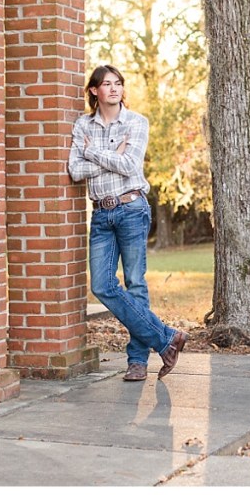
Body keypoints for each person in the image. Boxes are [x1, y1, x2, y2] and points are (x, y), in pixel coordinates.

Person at [67, 64, 187, 381]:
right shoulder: (82, 125)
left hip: (132, 208)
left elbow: (129, 164)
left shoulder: (136, 122)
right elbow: (75, 171)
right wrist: (110, 155)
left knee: (135, 283)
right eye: (107, 84)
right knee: (101, 285)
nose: (114, 88)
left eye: (119, 83)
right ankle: (166, 338)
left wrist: (94, 153)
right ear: (94, 90)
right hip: (102, 214)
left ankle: (137, 362)